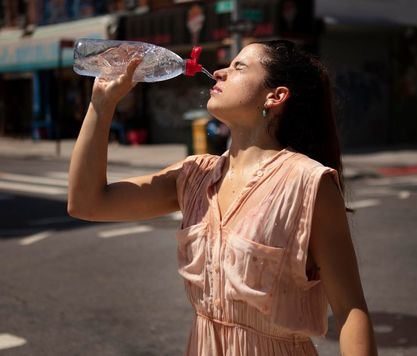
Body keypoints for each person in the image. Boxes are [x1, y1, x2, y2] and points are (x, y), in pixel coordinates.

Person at [68, 40, 377, 356]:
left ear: (276, 96)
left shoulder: (308, 182)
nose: (218, 72)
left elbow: (350, 309)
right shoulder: (193, 176)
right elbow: (87, 203)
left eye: (238, 67)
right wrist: (102, 105)